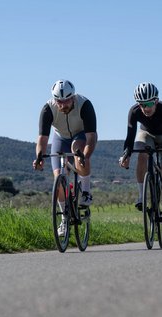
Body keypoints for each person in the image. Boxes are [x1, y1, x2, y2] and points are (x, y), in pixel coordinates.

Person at [33, 79, 98, 236]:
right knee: (58, 179)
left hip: (81, 135)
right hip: (60, 138)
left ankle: (86, 192)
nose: (62, 105)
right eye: (59, 101)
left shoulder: (85, 105)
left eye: (66, 101)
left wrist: (85, 157)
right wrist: (40, 157)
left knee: (78, 151)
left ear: (73, 97)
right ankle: (64, 219)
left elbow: (91, 138)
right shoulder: (48, 109)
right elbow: (42, 138)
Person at [118, 82, 162, 231]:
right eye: (142, 104)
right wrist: (126, 154)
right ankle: (142, 195)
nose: (146, 108)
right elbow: (130, 138)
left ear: (156, 101)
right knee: (141, 154)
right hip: (146, 134)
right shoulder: (134, 112)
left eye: (149, 103)